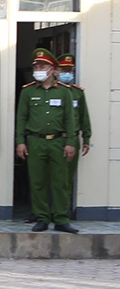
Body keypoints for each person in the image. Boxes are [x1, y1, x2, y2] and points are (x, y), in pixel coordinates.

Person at [15, 49, 77, 234]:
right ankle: (42, 217)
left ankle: (61, 218)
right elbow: (21, 118)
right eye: (36, 66)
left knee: (61, 182)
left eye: (42, 66)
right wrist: (20, 141)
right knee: (38, 181)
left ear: (51, 69)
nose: (38, 69)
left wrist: (70, 142)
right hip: (35, 141)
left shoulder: (65, 92)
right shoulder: (28, 91)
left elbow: (69, 119)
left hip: (58, 142)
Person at [56, 54, 91, 216]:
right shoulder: (49, 91)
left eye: (69, 70)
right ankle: (44, 212)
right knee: (50, 177)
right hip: (55, 137)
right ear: (56, 71)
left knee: (67, 178)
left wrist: (86, 138)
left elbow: (84, 116)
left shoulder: (77, 93)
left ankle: (62, 212)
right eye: (63, 70)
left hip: (73, 138)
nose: (66, 73)